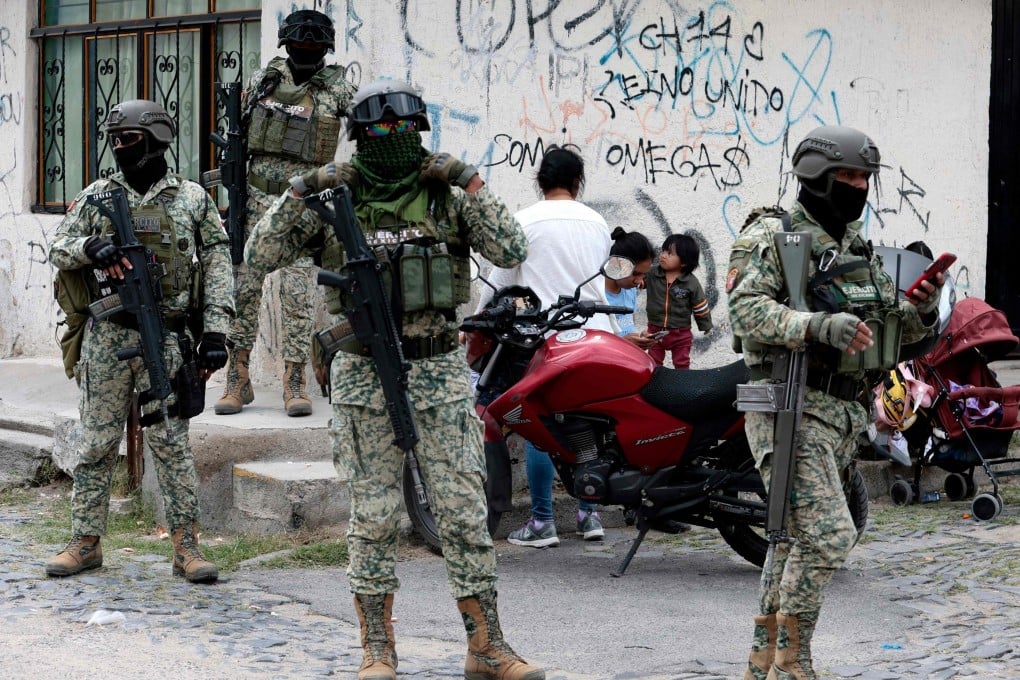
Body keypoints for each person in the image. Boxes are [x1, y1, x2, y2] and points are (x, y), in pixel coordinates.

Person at [245, 79, 545, 680]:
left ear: (421, 135)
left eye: (404, 130)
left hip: (436, 371)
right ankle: (377, 649)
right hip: (362, 376)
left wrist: (470, 180)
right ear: (359, 137)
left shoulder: (447, 195)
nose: (393, 140)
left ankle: (486, 647)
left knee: (463, 515)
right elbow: (260, 253)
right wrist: (304, 186)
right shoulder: (337, 199)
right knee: (375, 519)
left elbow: (510, 244)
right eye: (379, 131)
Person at [726, 125, 944, 680]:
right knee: (829, 536)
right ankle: (794, 665)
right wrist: (817, 325)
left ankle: (763, 665)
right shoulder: (775, 237)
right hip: (790, 404)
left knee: (792, 541)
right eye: (847, 176)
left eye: (865, 177)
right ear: (816, 177)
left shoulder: (854, 248)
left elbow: (897, 333)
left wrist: (923, 306)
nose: (858, 187)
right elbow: (744, 311)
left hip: (843, 414)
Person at [46, 99, 234, 583]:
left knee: (171, 443)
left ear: (156, 140)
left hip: (167, 338)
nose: (120, 148)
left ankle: (186, 547)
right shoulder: (97, 196)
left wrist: (216, 331)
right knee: (96, 443)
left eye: (129, 139)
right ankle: (85, 541)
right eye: (114, 140)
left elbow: (216, 265)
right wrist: (91, 247)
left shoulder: (192, 199)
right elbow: (59, 246)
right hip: (108, 336)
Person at [215, 8, 357, 418]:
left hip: (303, 209)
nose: (306, 50)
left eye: (314, 44)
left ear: (326, 48)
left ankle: (296, 382)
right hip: (255, 204)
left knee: (297, 295)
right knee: (243, 291)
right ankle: (236, 379)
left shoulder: (338, 90)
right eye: (300, 43)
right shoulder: (265, 80)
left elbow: (365, 124)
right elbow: (236, 136)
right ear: (286, 43)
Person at [476, 144, 613, 548]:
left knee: (542, 429)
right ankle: (590, 516)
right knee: (593, 427)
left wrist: (477, 320)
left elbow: (500, 279)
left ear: (540, 181)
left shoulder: (524, 220)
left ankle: (542, 522)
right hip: (598, 337)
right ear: (577, 181)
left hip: (546, 339)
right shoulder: (597, 222)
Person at [644, 233, 713, 368]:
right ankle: (655, 386)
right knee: (654, 362)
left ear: (684, 262)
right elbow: (639, 282)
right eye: (664, 250)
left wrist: (705, 325)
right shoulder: (653, 274)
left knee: (681, 363)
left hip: (681, 334)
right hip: (655, 330)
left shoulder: (690, 282)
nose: (663, 255)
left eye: (670, 253)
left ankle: (682, 386)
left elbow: (700, 305)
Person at [604, 226, 656, 350]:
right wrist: (622, 343)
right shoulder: (594, 295)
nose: (639, 281)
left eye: (644, 274)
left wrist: (639, 339)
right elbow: (590, 345)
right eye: (636, 273)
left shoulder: (630, 290)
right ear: (616, 263)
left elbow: (628, 327)